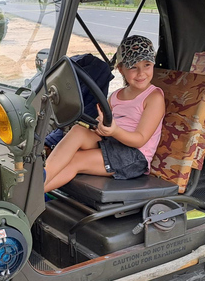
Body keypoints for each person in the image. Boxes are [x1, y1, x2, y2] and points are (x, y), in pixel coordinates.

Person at [44, 35, 165, 193]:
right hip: (113, 143)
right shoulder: (116, 96)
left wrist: (114, 131)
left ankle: (33, 195)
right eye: (133, 67)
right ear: (120, 69)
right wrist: (98, 126)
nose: (141, 73)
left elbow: (140, 140)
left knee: (76, 160)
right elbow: (103, 124)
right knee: (78, 131)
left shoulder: (154, 97)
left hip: (134, 156)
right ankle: (41, 175)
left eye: (147, 65)